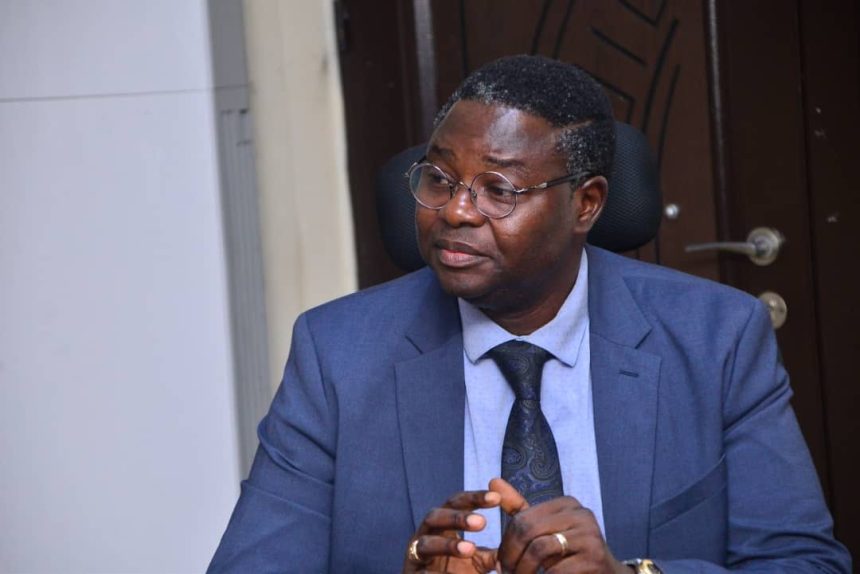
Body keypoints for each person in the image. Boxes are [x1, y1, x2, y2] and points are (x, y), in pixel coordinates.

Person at [208, 55, 851, 573]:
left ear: (586, 205)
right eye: (439, 179)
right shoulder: (338, 353)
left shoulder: (716, 339)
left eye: (499, 189)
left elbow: (804, 563)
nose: (456, 211)